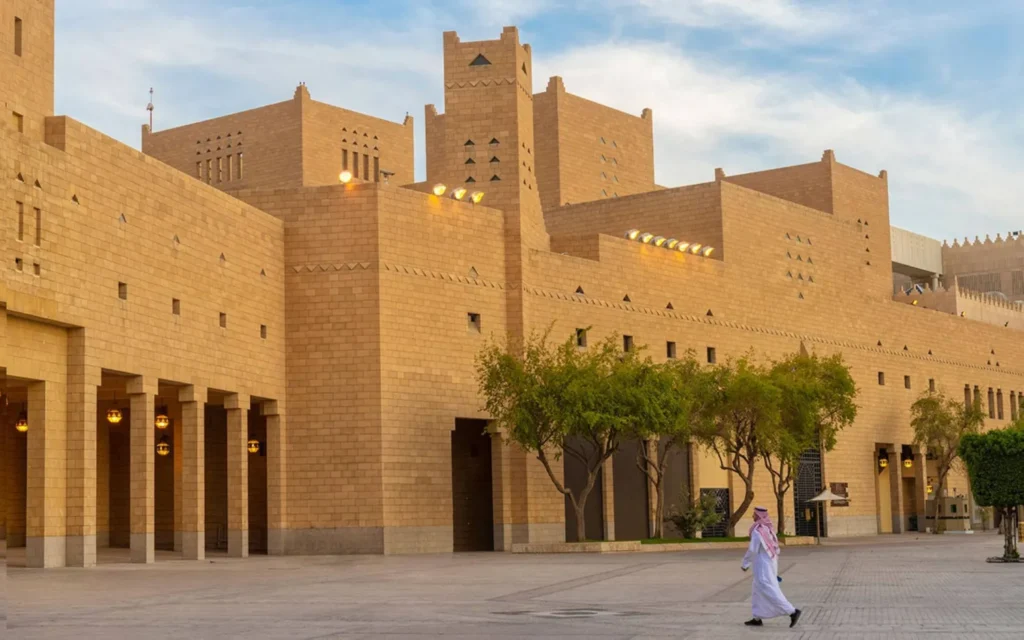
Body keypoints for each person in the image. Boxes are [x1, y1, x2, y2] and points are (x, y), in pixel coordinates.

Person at [740, 507, 802, 628]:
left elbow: (752, 550)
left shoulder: (758, 531)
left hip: (763, 566)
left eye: (754, 514)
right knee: (757, 590)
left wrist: (745, 564)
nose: (753, 516)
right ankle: (757, 617)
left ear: (759, 516)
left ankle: (792, 611)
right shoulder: (768, 528)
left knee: (769, 589)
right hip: (770, 563)